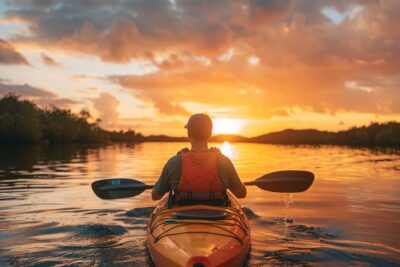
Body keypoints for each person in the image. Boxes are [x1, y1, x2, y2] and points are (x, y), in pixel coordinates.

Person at [152, 113, 246, 204]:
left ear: (189, 134)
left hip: (181, 216)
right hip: (218, 216)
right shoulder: (224, 161)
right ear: (210, 133)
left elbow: (155, 196)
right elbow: (241, 194)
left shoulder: (174, 162)